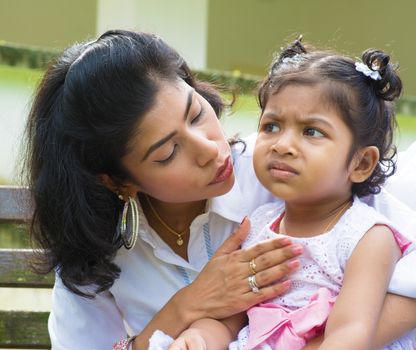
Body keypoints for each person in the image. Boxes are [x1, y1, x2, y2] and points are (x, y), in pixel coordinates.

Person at [22, 30, 416, 350]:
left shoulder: (289, 172)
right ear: (118, 180)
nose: (212, 149)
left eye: (196, 114)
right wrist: (185, 308)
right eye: (169, 152)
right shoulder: (95, 252)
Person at [163, 40, 416, 349]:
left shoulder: (367, 236)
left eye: (311, 131)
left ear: (361, 163)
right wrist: (200, 336)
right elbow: (231, 317)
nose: (282, 145)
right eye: (271, 126)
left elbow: (350, 332)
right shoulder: (258, 224)